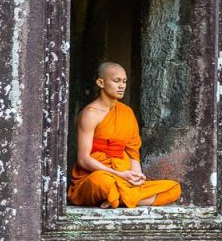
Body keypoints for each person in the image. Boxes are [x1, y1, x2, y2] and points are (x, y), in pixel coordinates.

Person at [68, 62, 182, 208]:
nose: (122, 85)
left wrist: (136, 177)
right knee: (104, 183)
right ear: (101, 82)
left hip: (123, 175)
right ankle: (120, 196)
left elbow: (132, 152)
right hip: (95, 175)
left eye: (124, 81)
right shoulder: (90, 114)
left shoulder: (127, 113)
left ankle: (117, 198)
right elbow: (83, 160)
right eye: (116, 81)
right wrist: (120, 175)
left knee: (173, 188)